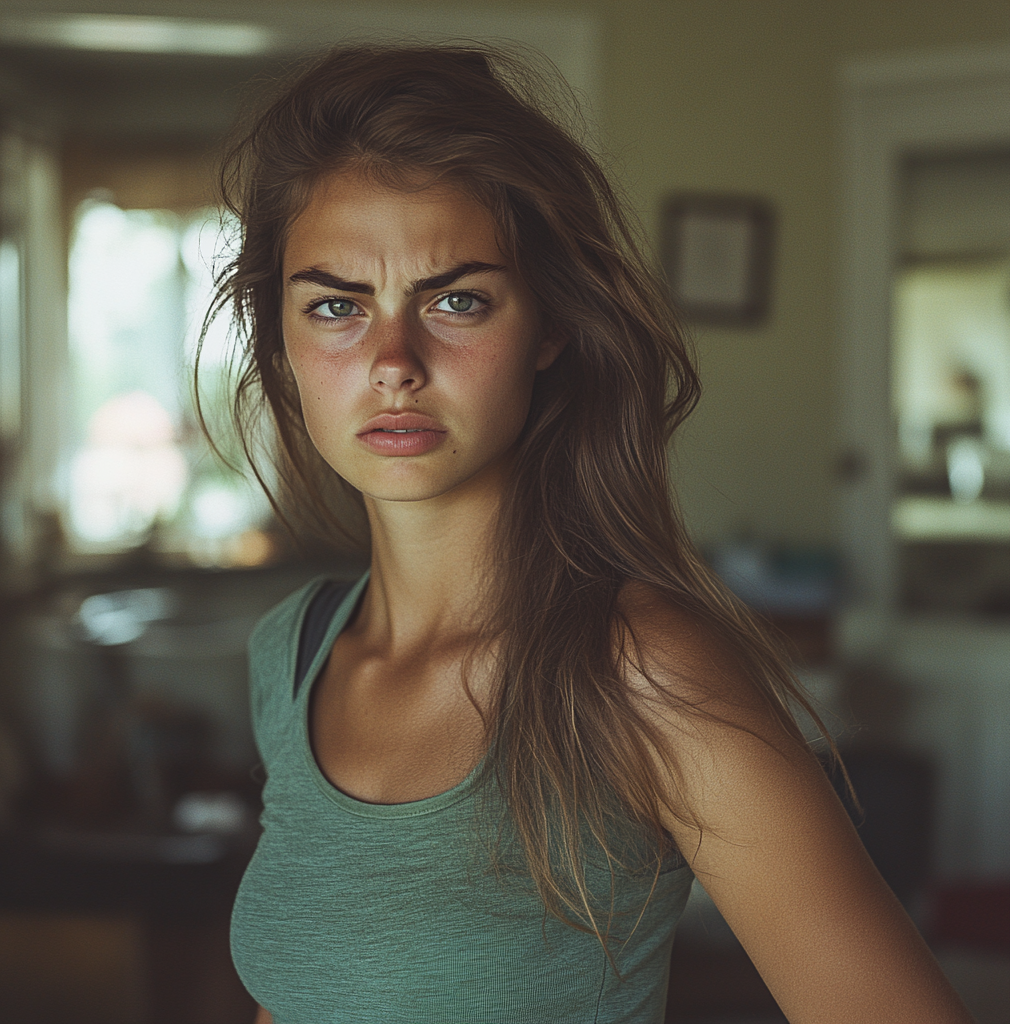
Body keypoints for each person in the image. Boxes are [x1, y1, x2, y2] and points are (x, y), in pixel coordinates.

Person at [208, 43, 973, 1024]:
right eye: (336, 306)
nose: (393, 361)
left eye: (456, 300)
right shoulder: (293, 652)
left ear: (550, 326)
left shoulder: (641, 670)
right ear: (282, 337)